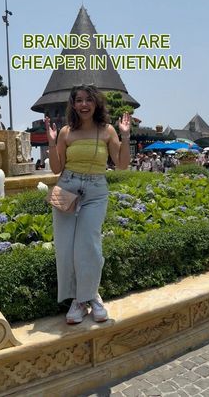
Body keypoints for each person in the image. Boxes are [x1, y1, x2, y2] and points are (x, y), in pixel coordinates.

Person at [45, 84, 131, 324]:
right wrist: (51, 143)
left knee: (89, 245)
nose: (84, 104)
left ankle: (90, 296)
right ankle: (78, 300)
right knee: (65, 248)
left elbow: (122, 164)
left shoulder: (107, 131)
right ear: (73, 105)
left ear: (96, 104)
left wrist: (125, 136)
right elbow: (55, 168)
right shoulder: (65, 132)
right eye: (79, 100)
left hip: (95, 190)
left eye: (88, 100)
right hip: (66, 186)